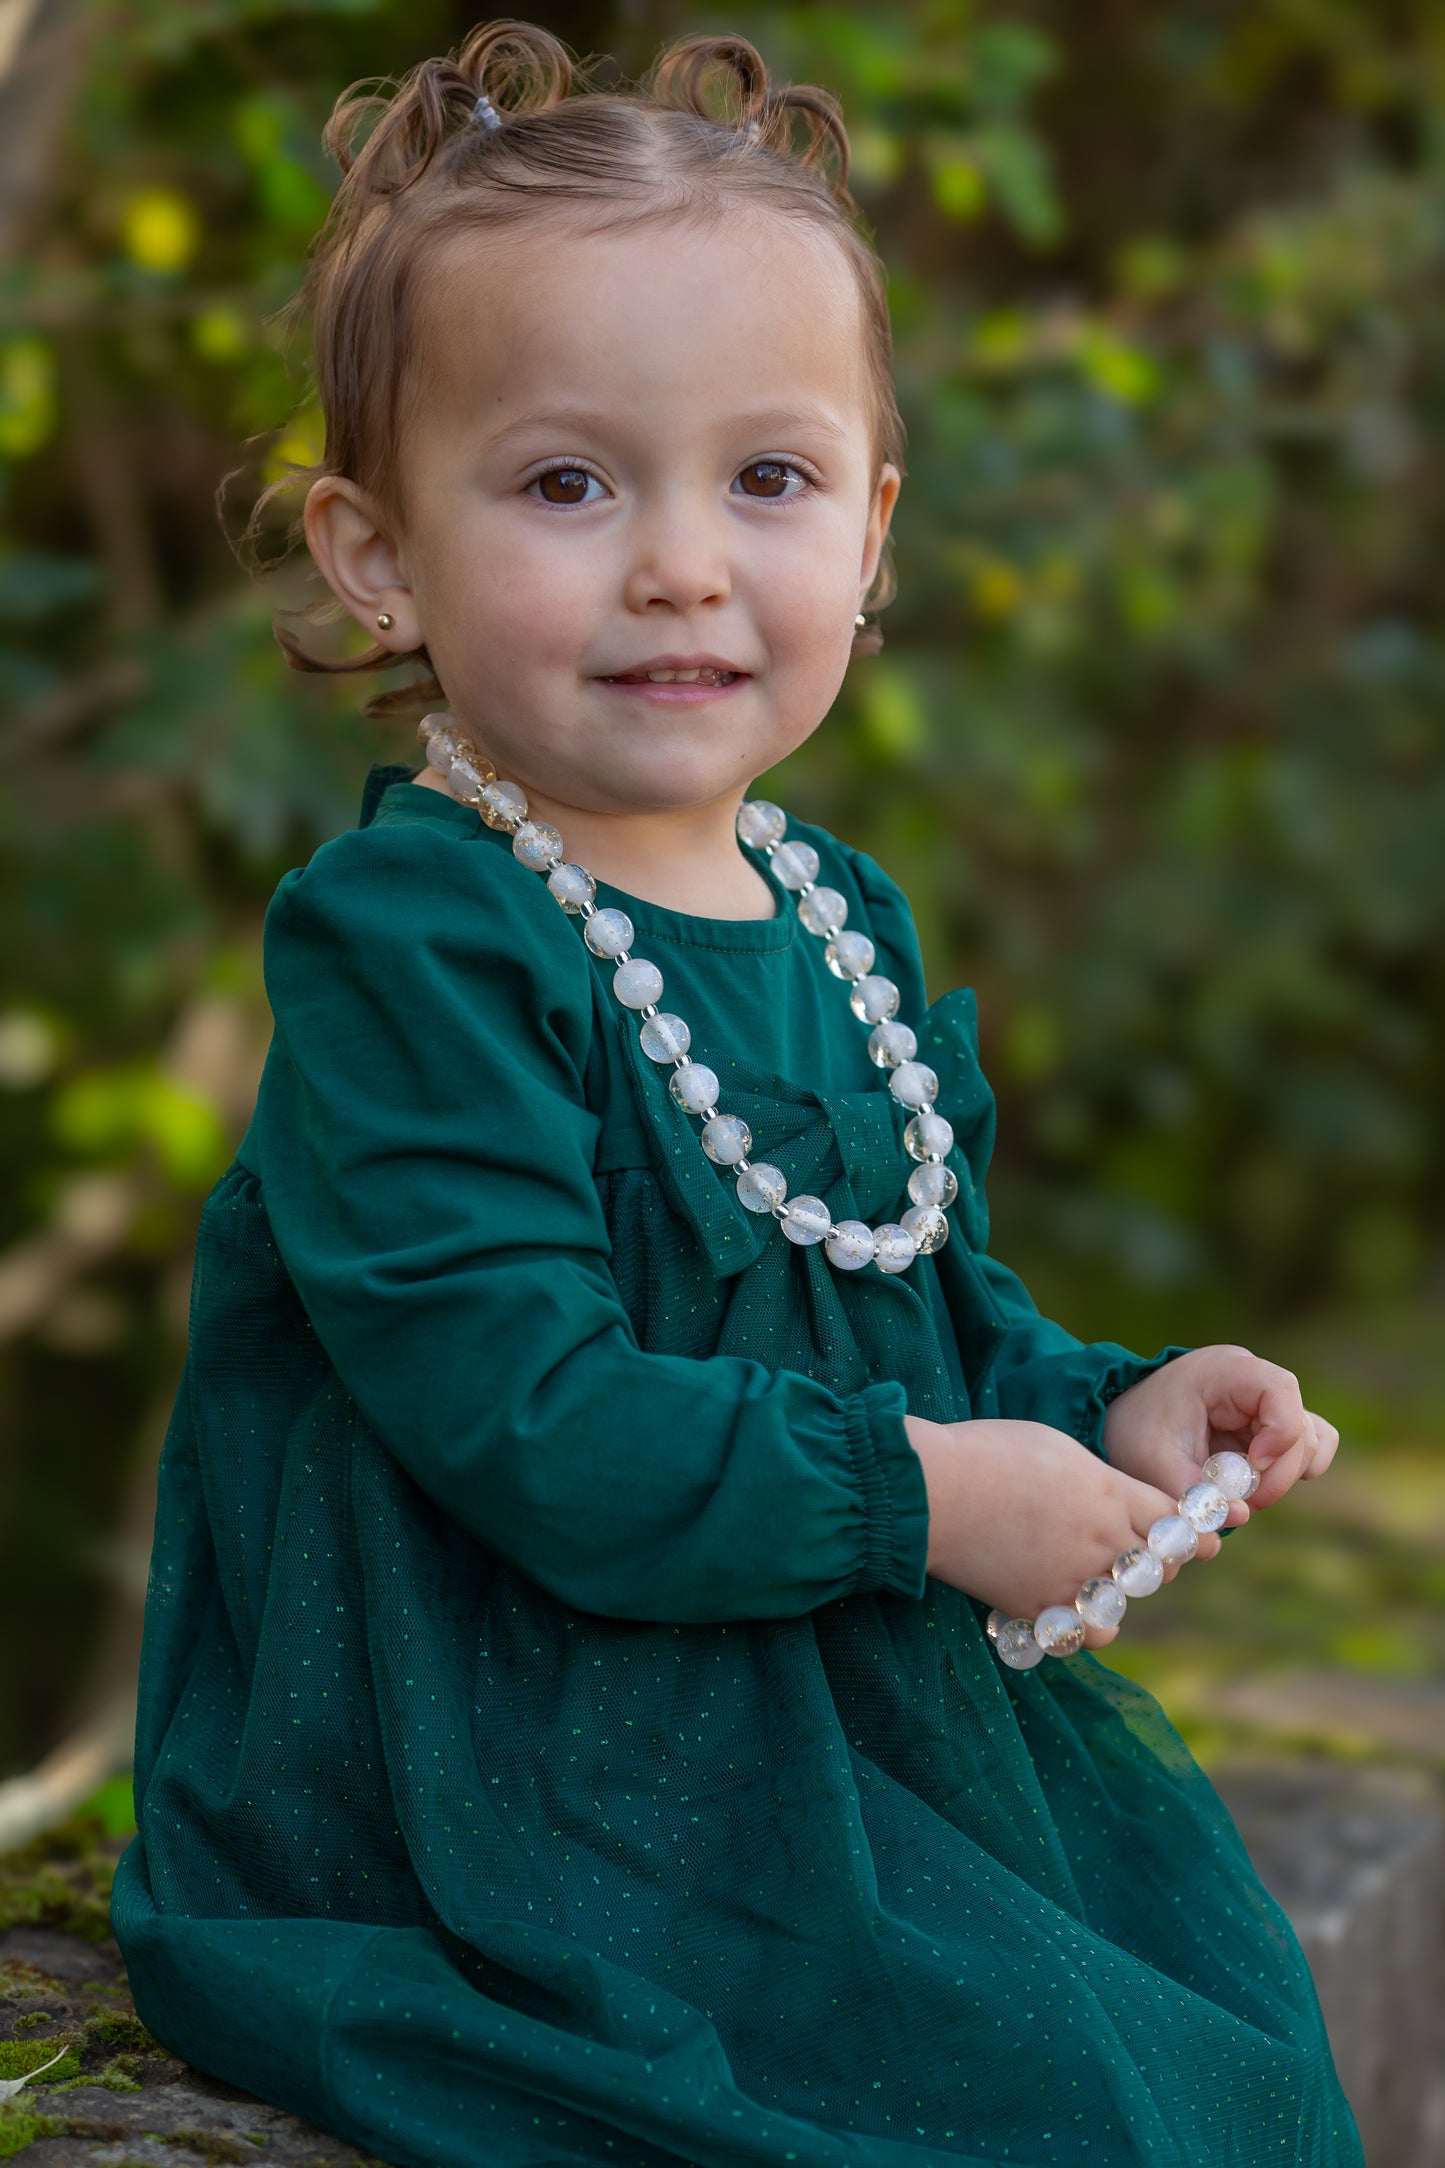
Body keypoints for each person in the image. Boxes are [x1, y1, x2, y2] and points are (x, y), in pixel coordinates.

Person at [110, 18, 1364, 2166]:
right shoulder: (418, 940)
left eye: (766, 479)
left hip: (809, 1694)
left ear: (872, 535)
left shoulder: (834, 912)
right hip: (500, 1745)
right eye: (566, 482)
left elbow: (912, 1310)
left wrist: (1103, 1406)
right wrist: (930, 1501)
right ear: (376, 549)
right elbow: (531, 1414)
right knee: (1025, 2099)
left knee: (1203, 2020)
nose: (680, 562)